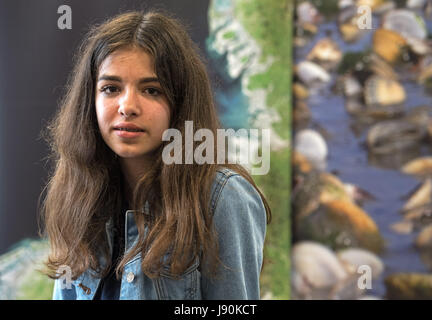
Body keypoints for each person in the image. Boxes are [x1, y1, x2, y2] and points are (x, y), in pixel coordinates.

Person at [40, 10, 271, 300]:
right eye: (110, 88)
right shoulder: (80, 193)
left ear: (181, 102)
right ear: (91, 100)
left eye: (151, 90)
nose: (127, 106)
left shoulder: (223, 197)